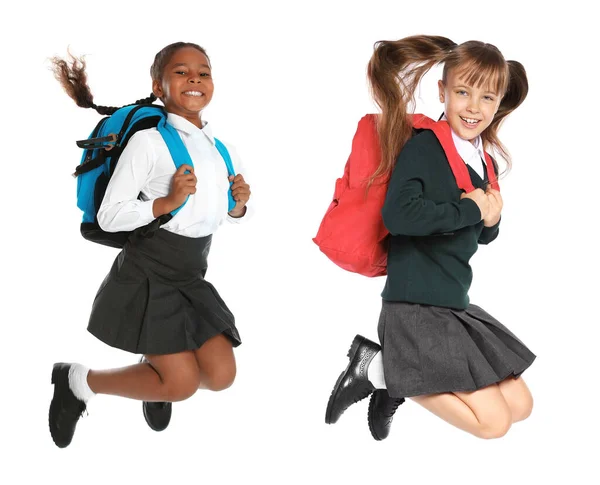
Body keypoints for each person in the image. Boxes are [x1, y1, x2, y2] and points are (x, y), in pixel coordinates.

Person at [325, 35, 535, 441]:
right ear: (442, 91)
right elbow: (400, 216)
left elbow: (483, 235)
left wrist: (490, 215)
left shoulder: (481, 157)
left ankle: (392, 375)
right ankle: (379, 371)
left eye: (487, 98)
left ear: (499, 103)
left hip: (452, 304)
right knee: (494, 424)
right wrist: (474, 208)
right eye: (463, 92)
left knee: (520, 406)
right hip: (416, 307)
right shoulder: (425, 147)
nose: (474, 107)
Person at [49, 42, 252, 448]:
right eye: (181, 71)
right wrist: (164, 203)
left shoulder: (219, 148)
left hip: (193, 274)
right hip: (150, 271)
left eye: (203, 71)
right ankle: (76, 381)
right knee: (180, 384)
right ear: (158, 87)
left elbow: (216, 213)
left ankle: (152, 373)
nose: (194, 78)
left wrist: (239, 207)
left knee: (220, 376)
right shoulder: (149, 144)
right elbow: (110, 215)